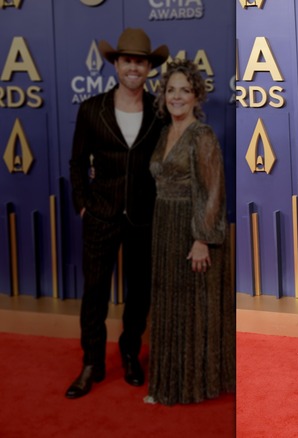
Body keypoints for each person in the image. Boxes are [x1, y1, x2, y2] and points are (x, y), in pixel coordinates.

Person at [66, 28, 168, 399]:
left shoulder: (160, 112)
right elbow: (77, 162)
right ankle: (91, 362)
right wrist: (83, 202)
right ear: (116, 64)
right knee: (94, 291)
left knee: (139, 292)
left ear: (148, 68)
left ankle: (129, 352)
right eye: (127, 60)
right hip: (100, 215)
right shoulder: (91, 109)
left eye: (140, 62)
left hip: (143, 217)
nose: (133, 68)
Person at [144, 59, 235, 405]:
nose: (176, 96)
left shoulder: (202, 134)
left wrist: (202, 239)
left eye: (185, 90)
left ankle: (191, 384)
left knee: (192, 307)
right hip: (164, 226)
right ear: (163, 95)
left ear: (197, 95)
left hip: (192, 230)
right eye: (171, 90)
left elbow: (213, 189)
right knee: (169, 304)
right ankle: (167, 381)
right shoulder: (165, 132)